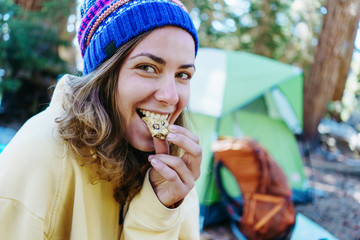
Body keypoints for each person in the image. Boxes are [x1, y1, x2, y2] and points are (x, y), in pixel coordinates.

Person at [0, 0, 202, 239]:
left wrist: (158, 210)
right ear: (103, 73)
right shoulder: (38, 156)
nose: (170, 96)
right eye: (147, 67)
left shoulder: (175, 176)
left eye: (182, 75)